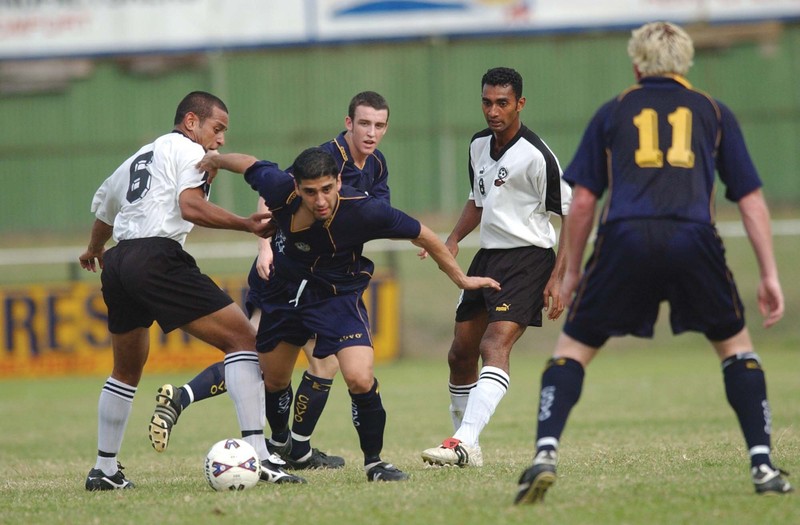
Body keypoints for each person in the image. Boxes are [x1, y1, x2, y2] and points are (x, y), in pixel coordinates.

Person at [513, 21, 793, 505]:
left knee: (574, 349)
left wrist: (572, 272)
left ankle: (544, 453)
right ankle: (763, 464)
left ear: (636, 63)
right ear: (686, 62)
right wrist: (769, 273)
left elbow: (583, 200)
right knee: (735, 349)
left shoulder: (614, 110)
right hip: (693, 237)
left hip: (624, 237)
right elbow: (750, 200)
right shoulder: (713, 111)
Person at [196, 146, 501, 482]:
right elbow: (249, 163)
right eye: (310, 192)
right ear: (296, 187)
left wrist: (461, 279)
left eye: (327, 189)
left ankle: (374, 463)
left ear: (339, 181)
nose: (320, 200)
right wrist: (216, 159)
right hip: (285, 295)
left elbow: (424, 235)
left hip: (337, 298)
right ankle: (279, 446)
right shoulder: (278, 187)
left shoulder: (364, 211)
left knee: (360, 377)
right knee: (275, 379)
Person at [148, 92, 392, 470]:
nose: (371, 132)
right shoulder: (325, 157)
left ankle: (289, 445)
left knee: (296, 361)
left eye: (378, 125)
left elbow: (374, 214)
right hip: (285, 274)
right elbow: (272, 192)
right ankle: (289, 446)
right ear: (349, 123)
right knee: (264, 358)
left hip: (318, 279)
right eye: (364, 123)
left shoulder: (376, 165)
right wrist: (264, 248)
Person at [79, 91, 304, 491]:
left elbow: (105, 212)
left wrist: (94, 249)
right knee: (244, 340)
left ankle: (104, 469)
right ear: (191, 122)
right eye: (217, 128)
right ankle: (260, 455)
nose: (221, 139)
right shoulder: (189, 151)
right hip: (156, 257)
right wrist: (245, 224)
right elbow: (190, 207)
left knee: (126, 369)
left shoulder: (138, 158)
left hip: (118, 263)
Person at [420, 66, 572, 468]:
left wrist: (559, 277)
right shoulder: (478, 145)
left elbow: (572, 214)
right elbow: (478, 199)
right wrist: (453, 239)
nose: (493, 111)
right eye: (487, 102)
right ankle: (466, 448)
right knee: (460, 355)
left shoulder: (537, 155)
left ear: (519, 104)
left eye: (502, 103)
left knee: (493, 346)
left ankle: (462, 441)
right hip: (488, 257)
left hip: (528, 259)